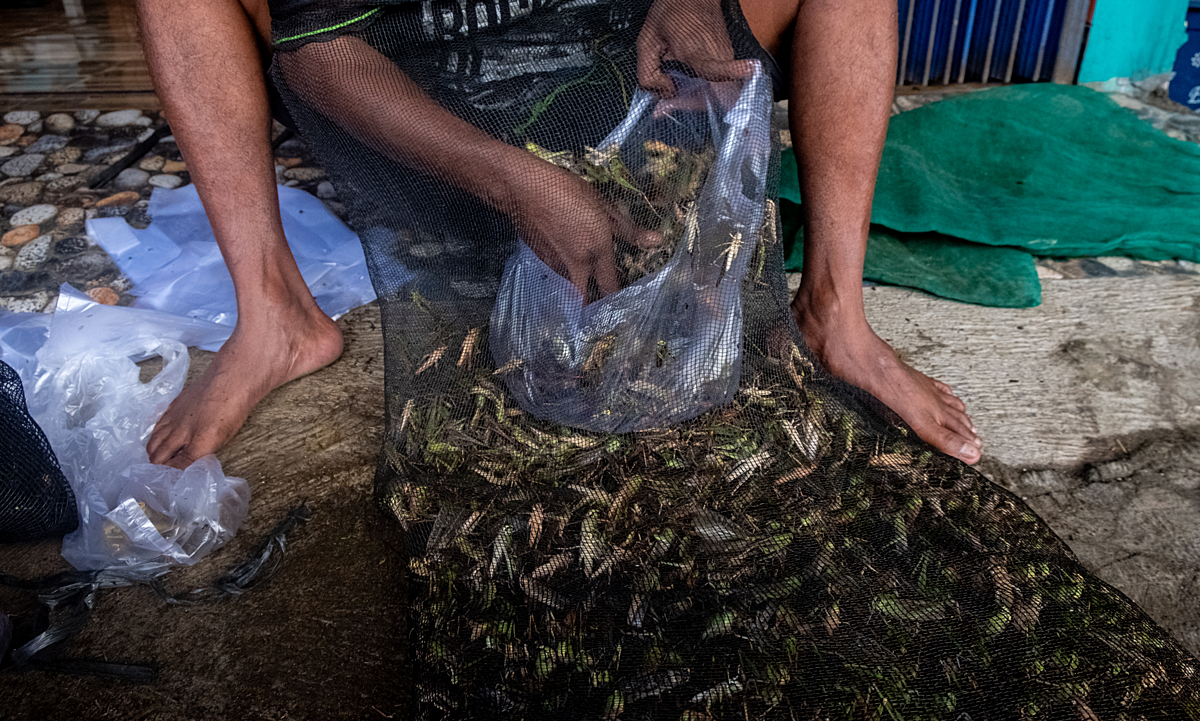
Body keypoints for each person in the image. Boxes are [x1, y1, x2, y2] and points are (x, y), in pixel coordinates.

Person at [136, 0, 982, 470]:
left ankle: (835, 311)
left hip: (623, 82)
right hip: (432, 122)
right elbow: (324, 54)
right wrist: (516, 181)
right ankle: (274, 311)